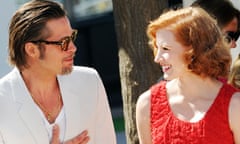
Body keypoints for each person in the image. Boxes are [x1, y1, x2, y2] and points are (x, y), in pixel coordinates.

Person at [0, 0, 116, 143]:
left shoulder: (90, 82)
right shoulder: (3, 100)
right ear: (32, 50)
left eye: (72, 37)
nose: (73, 48)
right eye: (63, 42)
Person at [136, 7, 240, 143]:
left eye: (166, 48)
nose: (157, 58)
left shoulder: (234, 105)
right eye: (157, 48)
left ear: (194, 49)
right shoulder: (147, 105)